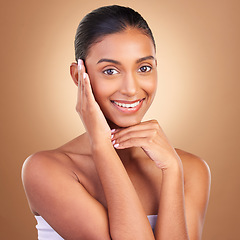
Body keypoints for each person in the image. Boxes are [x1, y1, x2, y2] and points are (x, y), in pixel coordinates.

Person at [21, 5, 211, 240]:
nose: (131, 89)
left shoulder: (190, 170)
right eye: (110, 71)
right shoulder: (46, 170)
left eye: (144, 68)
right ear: (79, 76)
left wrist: (172, 170)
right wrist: (101, 145)